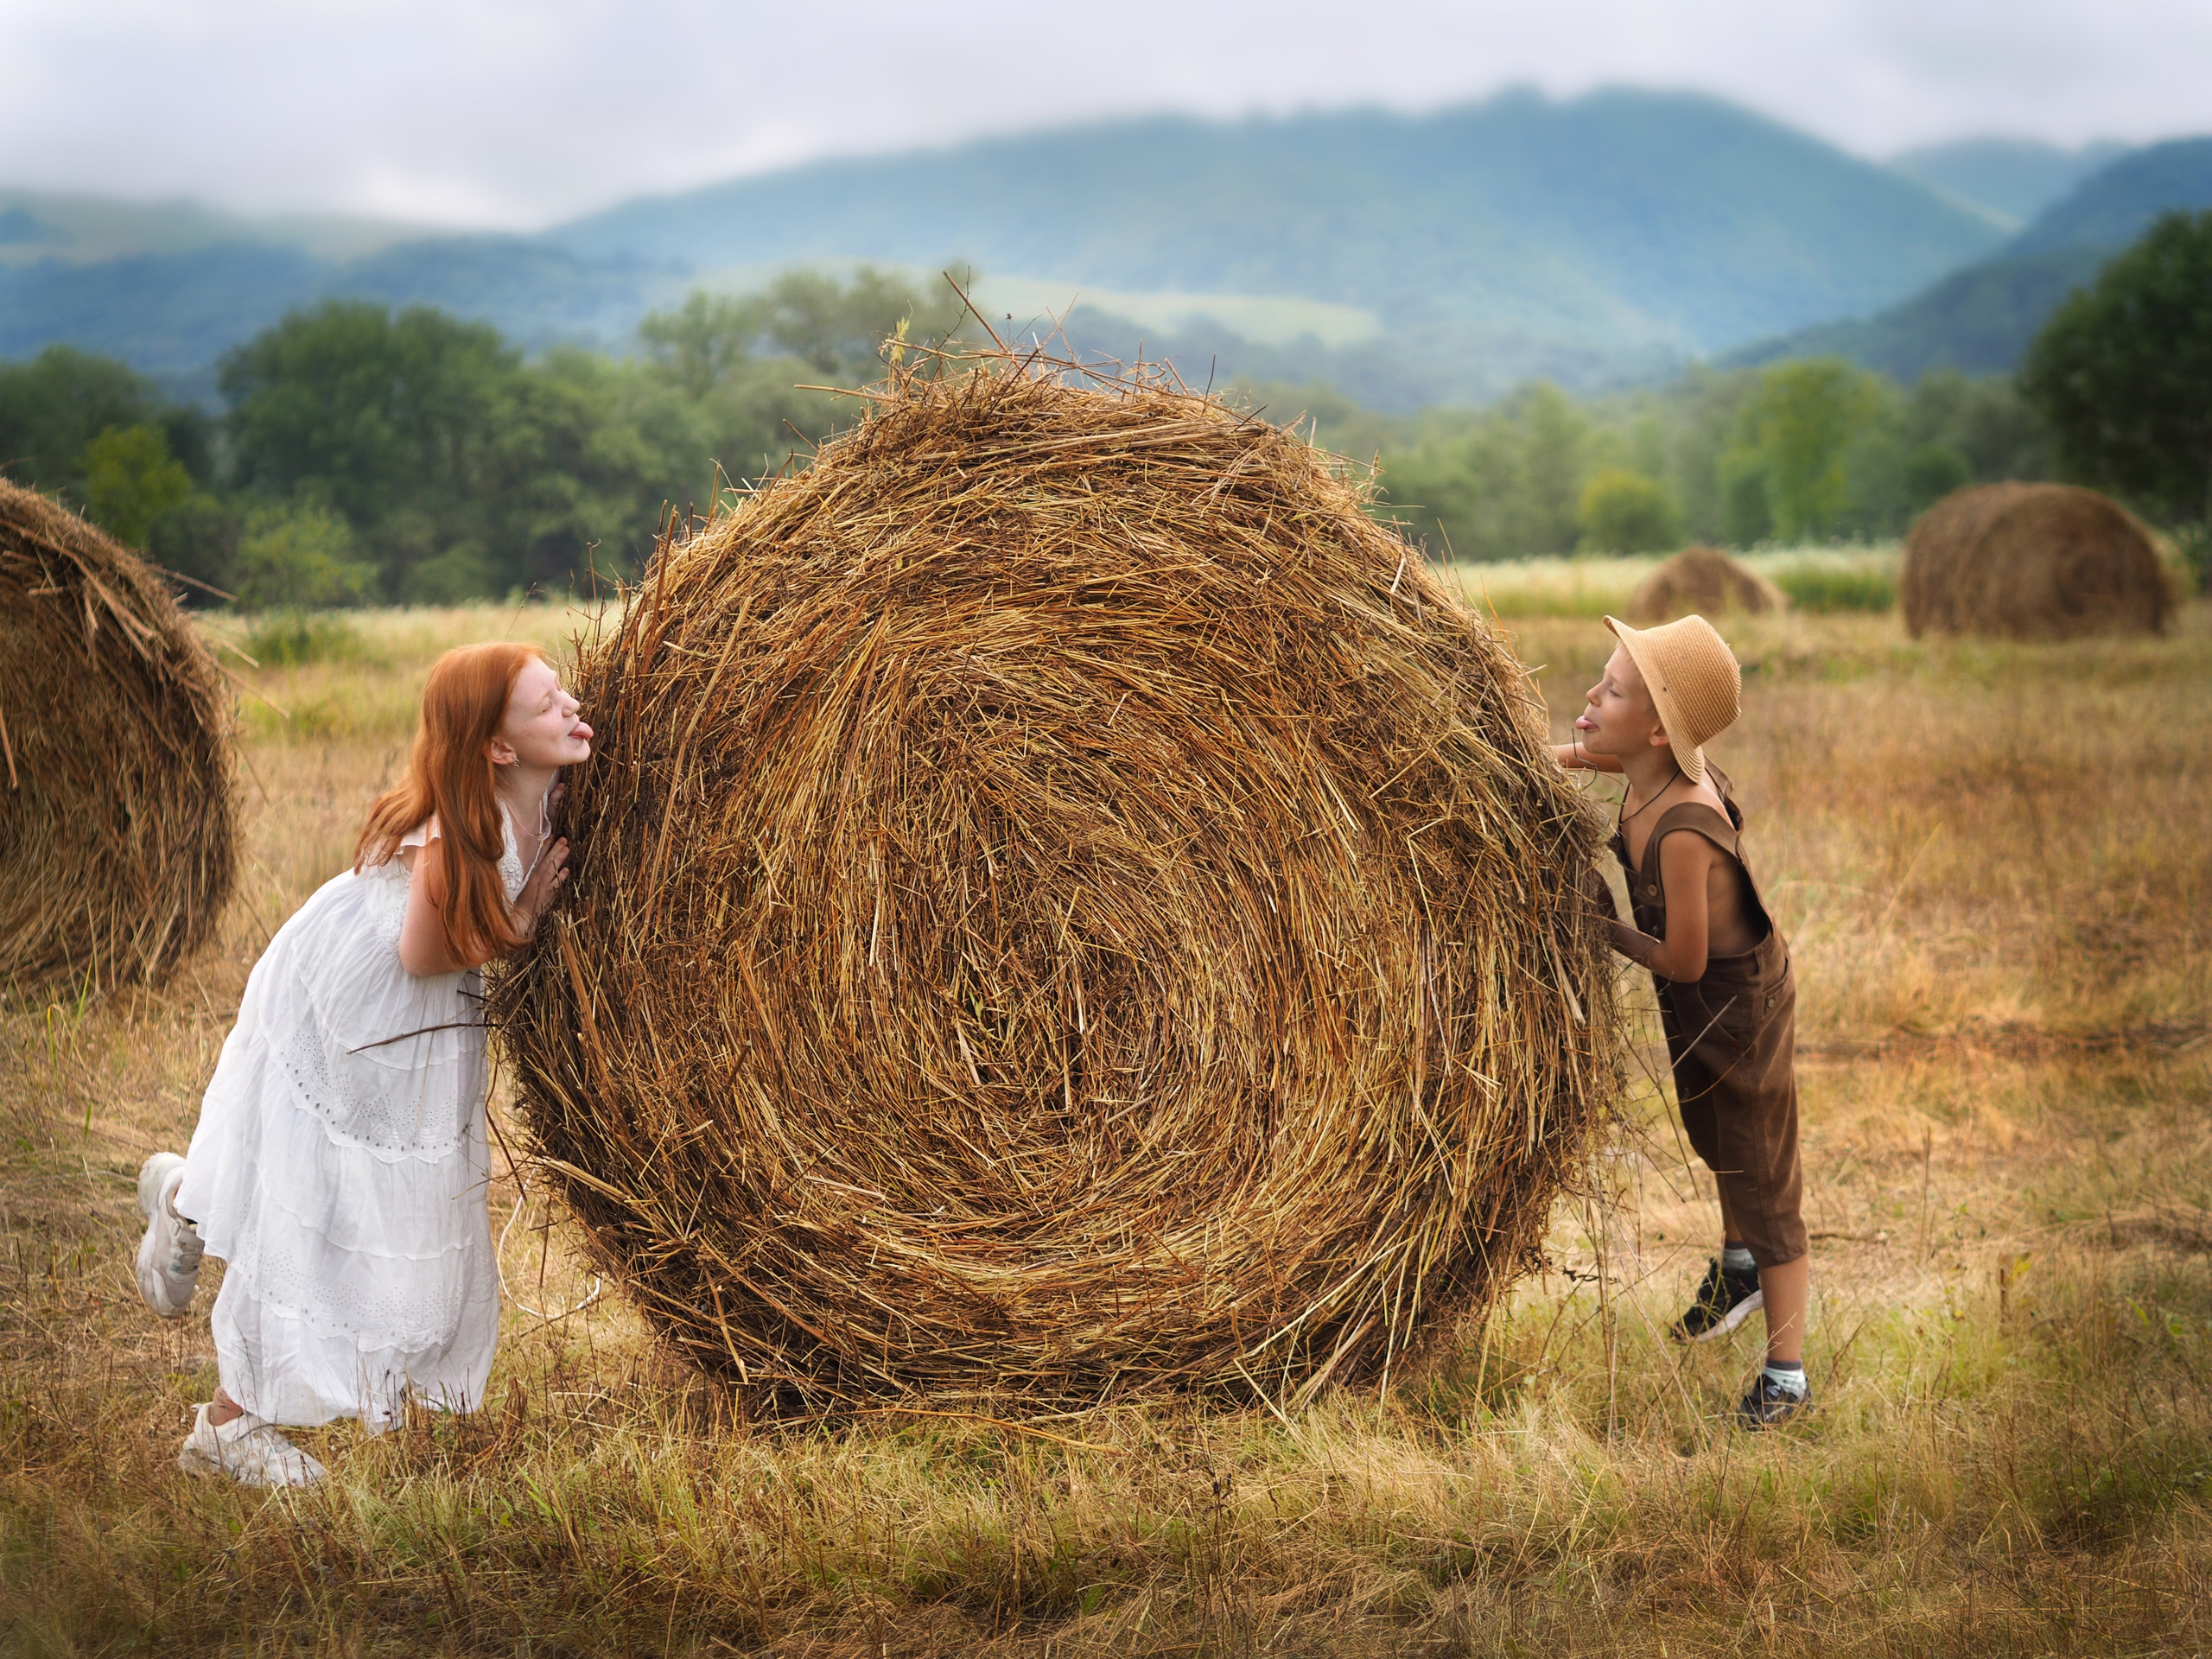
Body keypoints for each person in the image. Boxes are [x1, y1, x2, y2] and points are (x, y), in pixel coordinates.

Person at [132, 642, 588, 1485]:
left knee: (364, 1202)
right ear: (496, 748)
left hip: (416, 1028)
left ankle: (183, 1197)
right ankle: (229, 1428)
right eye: (544, 705)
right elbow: (421, 956)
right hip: (356, 1009)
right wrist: (522, 921)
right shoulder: (462, 828)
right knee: (330, 1206)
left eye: (563, 692)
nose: (569, 708)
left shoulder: (548, 790)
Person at [1554, 614, 1810, 1429]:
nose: (1593, 695)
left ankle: (1788, 1373)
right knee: (1712, 1134)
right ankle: (1737, 1270)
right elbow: (1588, 753)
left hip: (1739, 1006)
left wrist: (1593, 922)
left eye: (1614, 690)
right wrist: (1530, 758)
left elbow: (1686, 961)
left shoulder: (1683, 828)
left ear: (1659, 731)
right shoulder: (1643, 772)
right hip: (1701, 1008)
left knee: (1766, 1180)